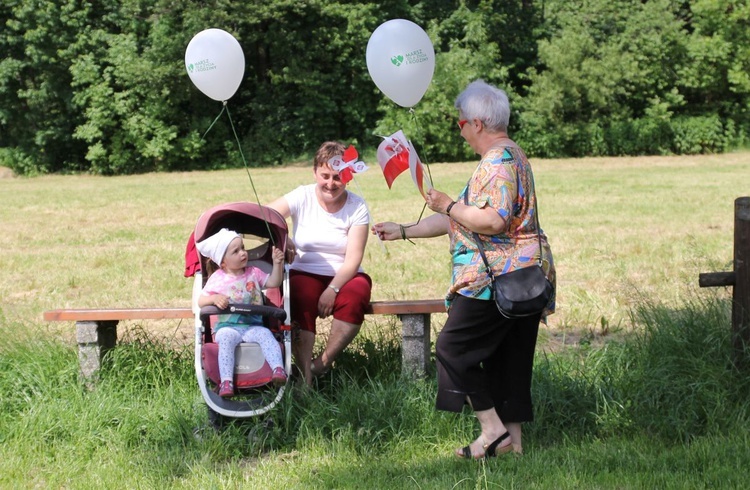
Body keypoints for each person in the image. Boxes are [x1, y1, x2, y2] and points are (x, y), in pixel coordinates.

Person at [372, 79, 556, 458]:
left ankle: (493, 433)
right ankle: (514, 444)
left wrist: (448, 205)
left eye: (460, 124)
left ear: (477, 123)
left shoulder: (498, 163)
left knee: (453, 348)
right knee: (509, 357)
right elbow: (464, 218)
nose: (460, 132)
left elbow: (491, 221)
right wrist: (404, 230)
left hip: (495, 277)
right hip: (523, 275)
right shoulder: (513, 155)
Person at [268, 141, 372, 386]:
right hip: (305, 269)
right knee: (299, 294)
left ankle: (321, 364)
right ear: (315, 172)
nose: (330, 183)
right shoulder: (302, 195)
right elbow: (265, 214)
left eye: (338, 177)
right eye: (325, 175)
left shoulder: (357, 206)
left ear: (347, 177)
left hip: (344, 274)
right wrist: (286, 237)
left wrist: (332, 289)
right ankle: (304, 376)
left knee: (358, 293)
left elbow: (353, 258)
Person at [196, 228, 287, 397]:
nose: (243, 253)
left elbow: (274, 281)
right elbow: (201, 301)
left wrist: (277, 263)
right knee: (226, 341)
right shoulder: (218, 278)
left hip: (253, 325)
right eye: (236, 251)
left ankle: (278, 370)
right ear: (223, 261)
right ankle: (226, 382)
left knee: (266, 336)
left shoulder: (254, 273)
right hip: (228, 326)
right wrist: (214, 299)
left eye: (243, 248)